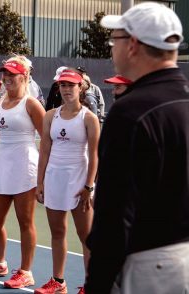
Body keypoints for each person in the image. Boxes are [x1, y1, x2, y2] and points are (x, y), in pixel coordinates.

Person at [86, 3, 189, 293]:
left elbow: (114, 217)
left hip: (150, 265)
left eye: (114, 40)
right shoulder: (183, 102)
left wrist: (98, 284)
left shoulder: (131, 111)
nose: (111, 48)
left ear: (132, 44)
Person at [0, 56, 45, 289]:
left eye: (12, 74)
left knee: (25, 221)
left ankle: (26, 271)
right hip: (0, 164)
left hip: (25, 166)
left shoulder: (31, 104)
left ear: (24, 76)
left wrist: (44, 175)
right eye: (4, 74)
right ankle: (0, 263)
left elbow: (47, 139)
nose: (6, 78)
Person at [34, 69, 100, 294]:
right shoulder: (50, 115)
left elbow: (94, 155)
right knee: (57, 233)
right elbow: (44, 150)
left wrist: (89, 186)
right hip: (54, 179)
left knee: (86, 237)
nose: (66, 89)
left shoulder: (89, 118)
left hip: (80, 183)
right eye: (62, 85)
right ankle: (58, 282)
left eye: (71, 85)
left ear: (80, 87)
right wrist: (40, 182)